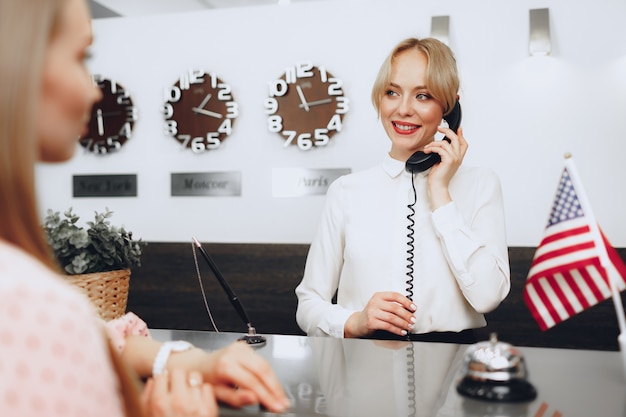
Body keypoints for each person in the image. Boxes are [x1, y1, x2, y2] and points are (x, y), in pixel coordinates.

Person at [0, 0, 289, 416]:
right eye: (82, 57)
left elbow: (103, 338)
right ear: (19, 62)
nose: (95, 89)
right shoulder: (33, 306)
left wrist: (191, 361)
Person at [295, 37, 510, 343]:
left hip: (450, 370)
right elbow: (308, 304)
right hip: (365, 367)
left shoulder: (481, 184)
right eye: (392, 92)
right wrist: (353, 321)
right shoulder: (346, 191)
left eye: (422, 96)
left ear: (449, 107)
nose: (403, 109)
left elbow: (488, 296)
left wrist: (440, 193)